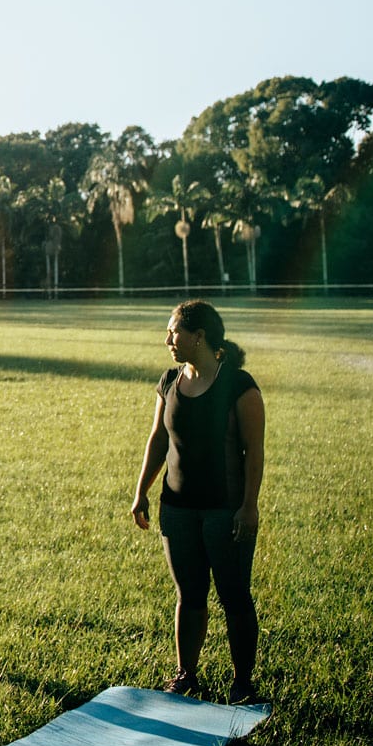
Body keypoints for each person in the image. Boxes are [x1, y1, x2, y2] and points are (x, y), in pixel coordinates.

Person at [129, 299, 266, 704]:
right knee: (189, 595)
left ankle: (242, 682)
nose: (168, 339)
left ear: (199, 336)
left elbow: (253, 452)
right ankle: (186, 675)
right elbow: (158, 440)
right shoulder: (169, 380)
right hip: (178, 508)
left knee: (234, 595)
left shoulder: (239, 385)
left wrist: (249, 505)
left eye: (174, 332)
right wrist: (142, 491)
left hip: (225, 510)